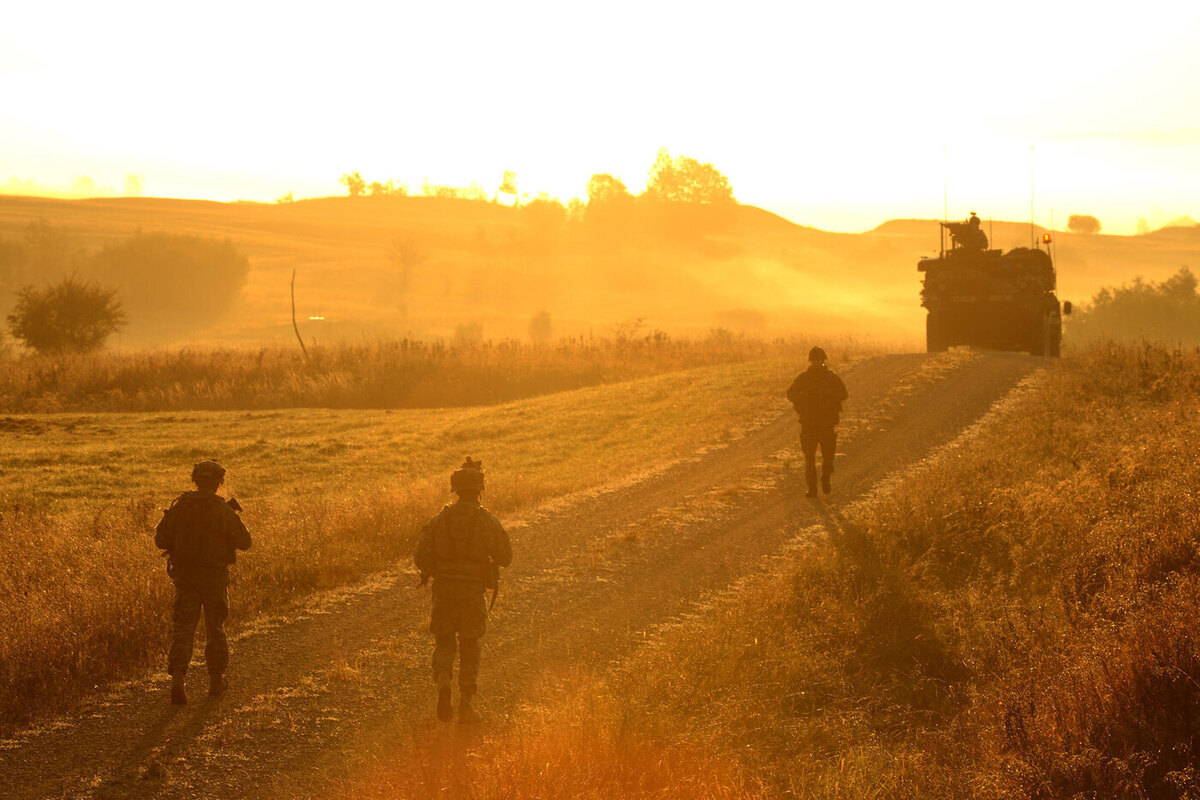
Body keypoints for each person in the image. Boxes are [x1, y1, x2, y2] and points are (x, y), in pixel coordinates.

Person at [414, 458, 512, 724]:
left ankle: (444, 681)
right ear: (479, 489)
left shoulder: (439, 521)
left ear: (455, 489)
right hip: (472, 594)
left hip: (444, 592)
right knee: (470, 645)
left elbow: (420, 556)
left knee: (444, 642)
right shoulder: (487, 521)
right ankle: (466, 703)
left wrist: (438, 568)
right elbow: (506, 556)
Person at [154, 460, 251, 705]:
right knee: (215, 628)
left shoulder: (181, 506)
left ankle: (178, 679)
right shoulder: (222, 510)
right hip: (214, 578)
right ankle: (216, 680)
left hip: (186, 578)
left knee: (183, 628)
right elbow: (245, 542)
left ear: (195, 480)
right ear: (218, 483)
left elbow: (160, 539)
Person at [786, 347, 849, 497]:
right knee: (810, 459)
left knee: (828, 457)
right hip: (810, 423)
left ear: (823, 361)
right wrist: (804, 402)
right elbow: (791, 394)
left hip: (826, 423)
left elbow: (843, 394)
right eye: (815, 360)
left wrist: (828, 398)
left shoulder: (831, 378)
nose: (817, 363)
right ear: (811, 361)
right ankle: (812, 489)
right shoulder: (805, 378)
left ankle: (825, 477)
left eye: (818, 360)